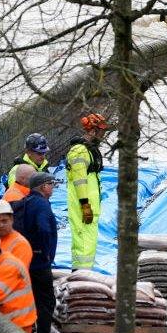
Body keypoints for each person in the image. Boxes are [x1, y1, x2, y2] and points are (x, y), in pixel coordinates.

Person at [12, 172, 58, 333]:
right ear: (43, 186)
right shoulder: (41, 205)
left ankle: (30, 331)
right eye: (51, 184)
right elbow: (44, 229)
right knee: (46, 300)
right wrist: (45, 252)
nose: (52, 187)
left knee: (31, 297)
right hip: (40, 262)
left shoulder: (27, 201)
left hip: (27, 259)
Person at [66, 113, 106, 271]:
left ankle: (84, 274)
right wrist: (85, 205)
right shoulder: (79, 152)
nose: (103, 136)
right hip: (83, 207)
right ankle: (79, 275)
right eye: (102, 132)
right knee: (83, 242)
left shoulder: (88, 150)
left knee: (88, 242)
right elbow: (79, 181)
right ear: (94, 131)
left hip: (89, 207)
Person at [0, 199, 32, 267]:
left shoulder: (20, 244)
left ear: (12, 219)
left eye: (4, 221)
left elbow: (14, 273)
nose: (1, 225)